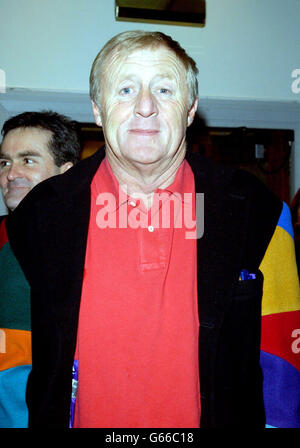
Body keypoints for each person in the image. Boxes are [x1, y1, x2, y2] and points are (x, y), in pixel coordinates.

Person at [6, 31, 300, 428]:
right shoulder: (35, 218)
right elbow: (13, 368)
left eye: (164, 89)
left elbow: (282, 363)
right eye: (125, 89)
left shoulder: (260, 211)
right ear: (97, 108)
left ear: (191, 109)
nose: (145, 106)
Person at [0, 110, 81, 427]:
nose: (11, 174)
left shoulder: (90, 246)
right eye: (4, 162)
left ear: (67, 172)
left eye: (28, 160)